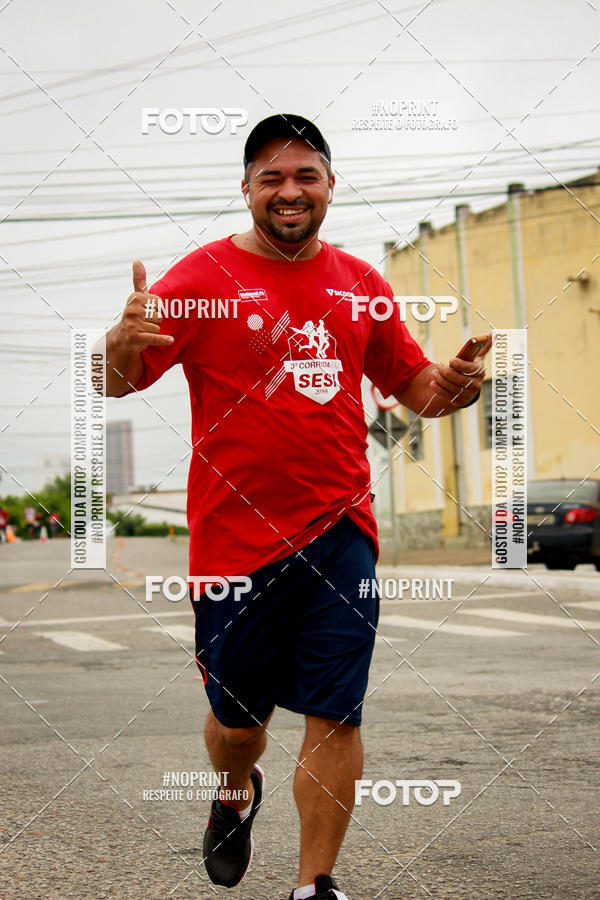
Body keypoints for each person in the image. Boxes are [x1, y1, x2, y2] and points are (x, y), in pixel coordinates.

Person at [103, 114, 488, 900]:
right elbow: (116, 382)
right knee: (239, 728)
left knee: (336, 713)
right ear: (246, 188)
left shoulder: (362, 285)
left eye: (306, 176)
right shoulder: (200, 279)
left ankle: (316, 885)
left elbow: (412, 388)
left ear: (330, 187)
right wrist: (116, 341)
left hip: (341, 527)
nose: (290, 191)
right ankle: (235, 794)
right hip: (235, 543)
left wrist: (449, 389)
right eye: (272, 178)